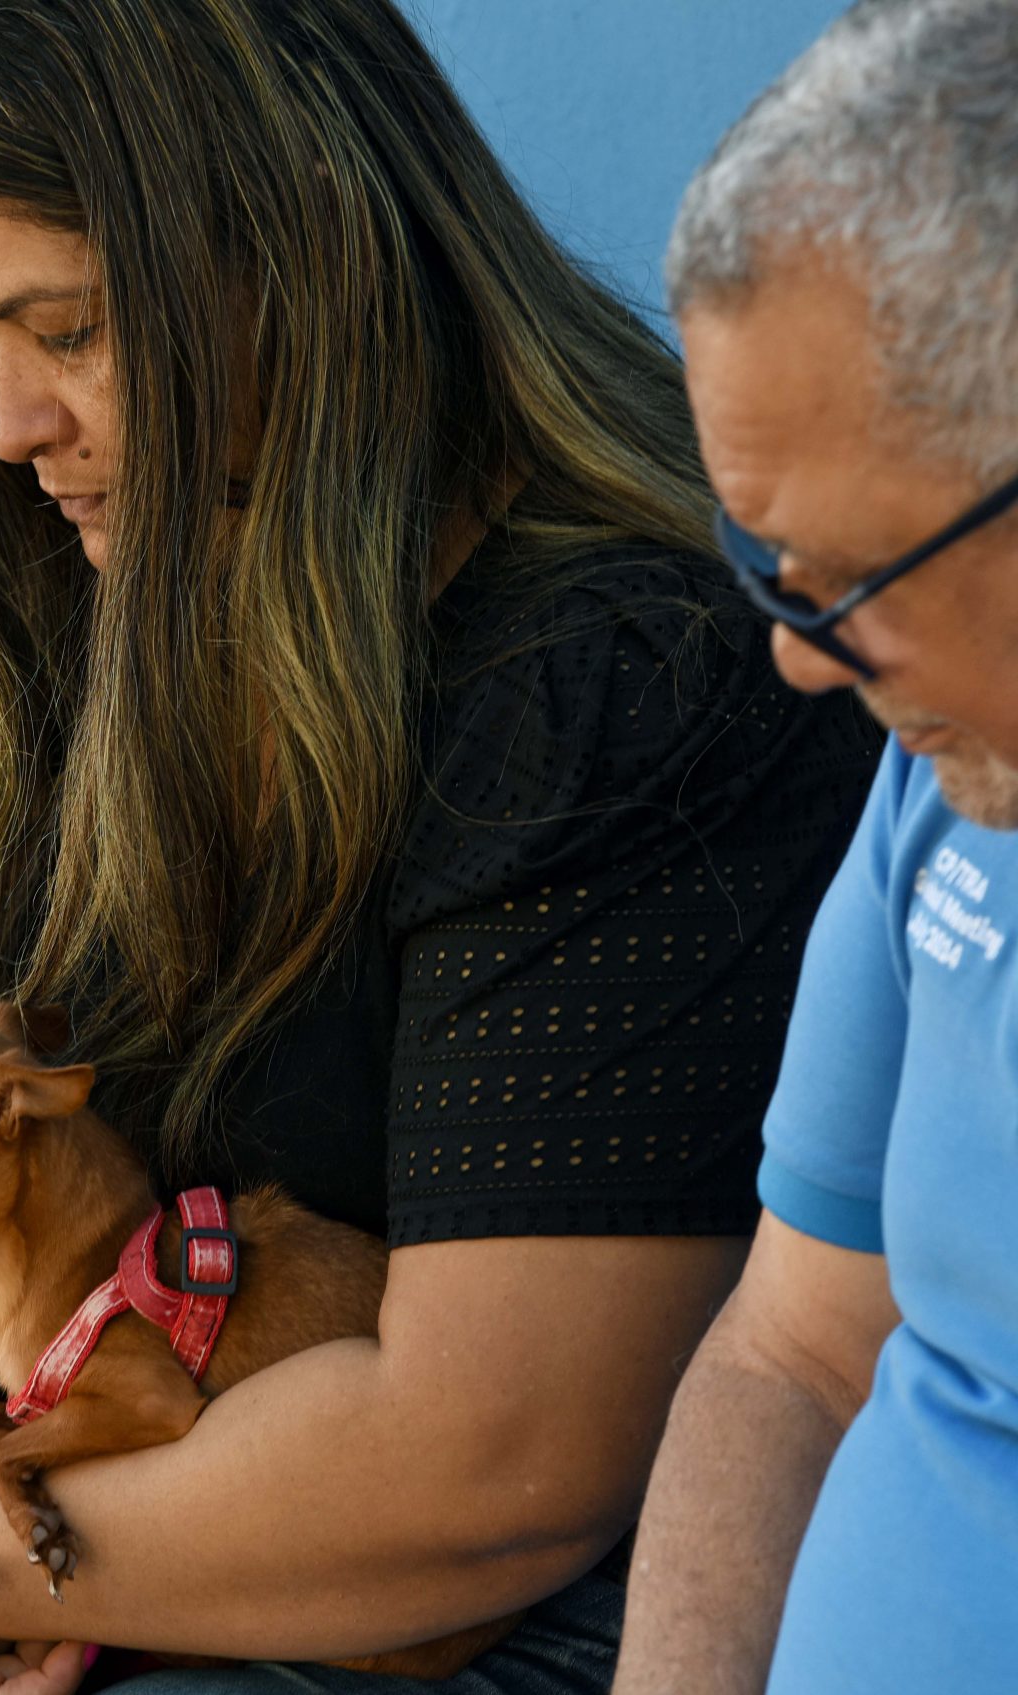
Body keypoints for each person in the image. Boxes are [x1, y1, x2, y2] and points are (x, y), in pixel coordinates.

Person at [0, 2, 888, 1692]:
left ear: (304, 258)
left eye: (73, 329)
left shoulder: (623, 685)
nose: (3, 424)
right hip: (90, 1553)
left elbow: (484, 1478)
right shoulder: (107, 607)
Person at [612, 5, 1018, 1692]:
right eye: (756, 559)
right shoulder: (948, 778)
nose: (792, 649)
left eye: (834, 578)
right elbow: (797, 1352)